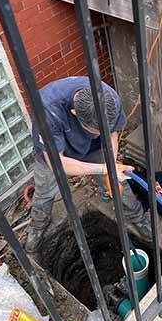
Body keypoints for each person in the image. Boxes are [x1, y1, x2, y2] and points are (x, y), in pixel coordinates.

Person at [26, 76, 151, 254]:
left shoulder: (108, 100)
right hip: (53, 156)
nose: (103, 133)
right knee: (45, 192)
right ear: (75, 113)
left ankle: (137, 217)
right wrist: (103, 168)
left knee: (117, 180)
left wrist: (110, 165)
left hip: (92, 147)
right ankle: (38, 226)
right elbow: (58, 165)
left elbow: (112, 134)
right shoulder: (47, 110)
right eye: (98, 130)